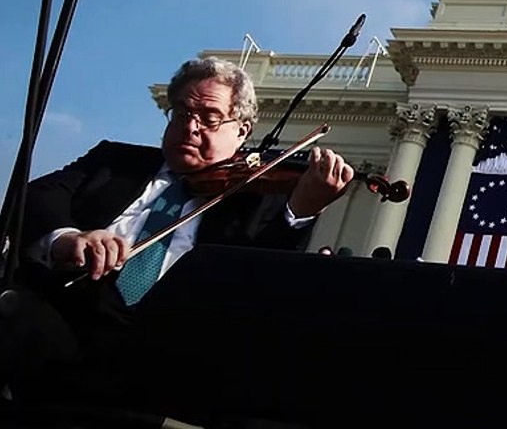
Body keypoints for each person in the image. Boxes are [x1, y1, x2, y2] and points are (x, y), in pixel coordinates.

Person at [2, 57, 354, 411]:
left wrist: (303, 210)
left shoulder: (261, 201)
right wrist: (67, 237)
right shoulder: (114, 160)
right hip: (61, 317)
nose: (191, 127)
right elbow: (36, 196)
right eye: (183, 113)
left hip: (164, 352)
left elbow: (261, 282)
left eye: (210, 118)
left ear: (243, 131)